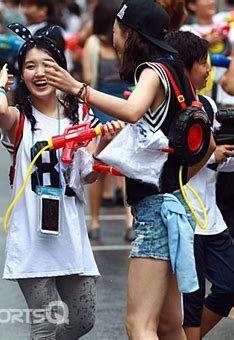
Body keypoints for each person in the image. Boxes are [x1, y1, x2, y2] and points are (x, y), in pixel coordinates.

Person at [42, 0, 216, 338]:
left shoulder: (151, 71)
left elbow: (133, 111)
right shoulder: (176, 70)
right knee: (167, 325)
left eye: (116, 31)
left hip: (155, 213)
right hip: (175, 206)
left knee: (138, 324)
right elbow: (206, 146)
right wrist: (174, 181)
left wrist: (76, 88)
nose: (114, 38)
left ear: (131, 35)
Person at [0, 22, 122, 339]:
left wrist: (102, 142)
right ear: (22, 74)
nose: (39, 73)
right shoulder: (19, 118)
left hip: (70, 232)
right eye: (30, 66)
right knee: (46, 326)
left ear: (61, 69)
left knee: (83, 319)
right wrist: (0, 84)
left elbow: (86, 175)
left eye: (47, 65)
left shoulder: (80, 116)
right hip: (32, 237)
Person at [165, 29, 234, 340]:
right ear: (185, 67)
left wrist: (222, 154)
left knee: (228, 287)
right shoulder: (166, 110)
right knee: (191, 299)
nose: (209, 69)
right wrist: (212, 155)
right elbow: (169, 165)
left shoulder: (207, 105)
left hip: (212, 217)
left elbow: (220, 157)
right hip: (184, 219)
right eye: (203, 63)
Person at [81, 0, 135, 242]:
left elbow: (90, 77)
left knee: (112, 166)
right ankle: (110, 221)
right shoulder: (102, 44)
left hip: (117, 107)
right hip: (109, 107)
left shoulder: (109, 43)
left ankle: (111, 221)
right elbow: (90, 78)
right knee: (106, 166)